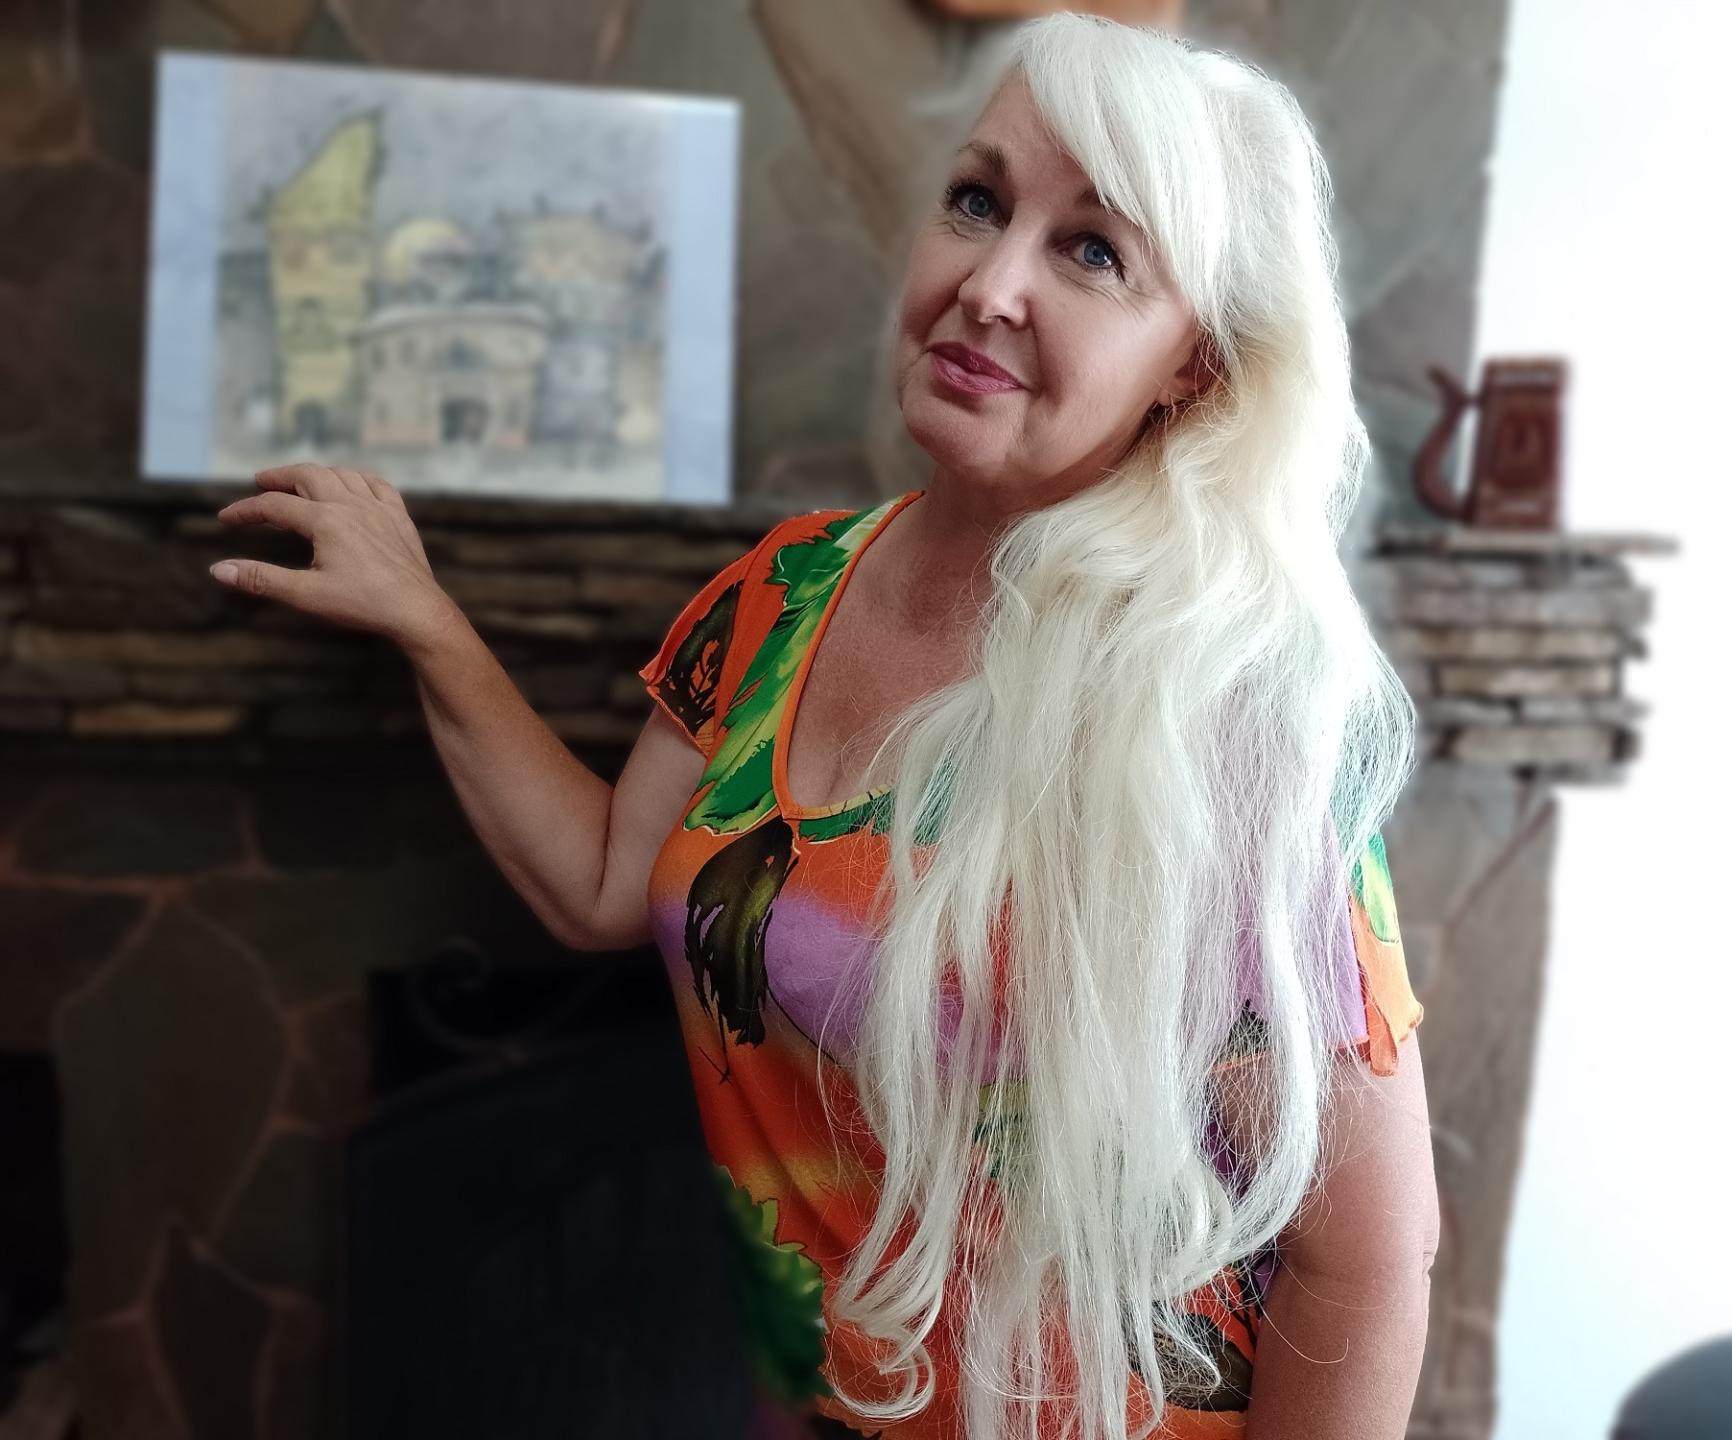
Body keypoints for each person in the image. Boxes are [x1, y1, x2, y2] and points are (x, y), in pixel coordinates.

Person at [208, 13, 1437, 1438]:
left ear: (1193, 368)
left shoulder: (1220, 710)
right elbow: (605, 880)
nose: (988, 285)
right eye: (976, 201)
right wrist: (429, 621)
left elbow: (1369, 1258)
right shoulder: (784, 591)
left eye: (1093, 252)